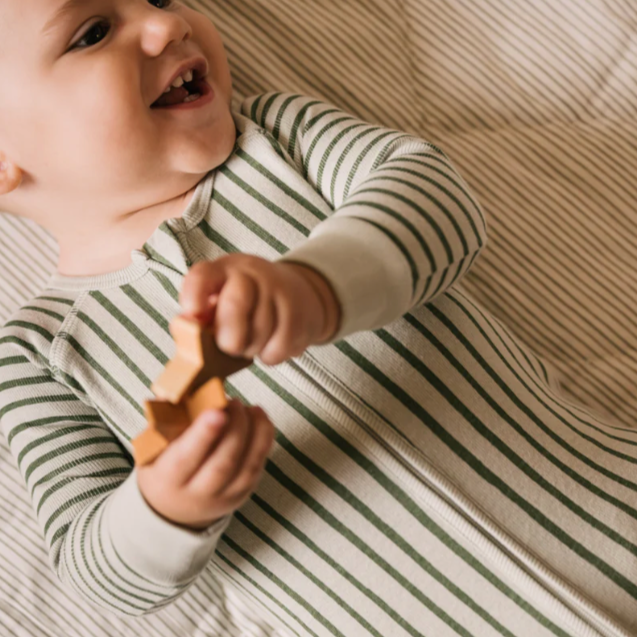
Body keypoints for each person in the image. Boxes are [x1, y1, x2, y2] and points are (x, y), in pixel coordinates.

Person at [0, 2, 633, 636]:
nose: (168, 25)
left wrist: (315, 286)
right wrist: (162, 508)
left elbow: (441, 200)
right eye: (93, 33)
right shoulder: (38, 352)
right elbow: (92, 566)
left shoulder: (278, 138)